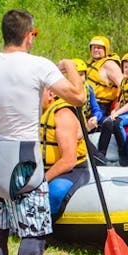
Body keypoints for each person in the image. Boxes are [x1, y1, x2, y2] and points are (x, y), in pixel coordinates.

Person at [0, 9, 85, 255]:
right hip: (23, 160)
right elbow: (78, 97)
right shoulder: (38, 65)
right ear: (29, 35)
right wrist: (71, 68)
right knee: (33, 231)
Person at [39, 89, 90, 223]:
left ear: (51, 94)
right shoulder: (35, 112)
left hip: (72, 170)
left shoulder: (63, 115)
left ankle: (42, 232)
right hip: (41, 167)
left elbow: (69, 161)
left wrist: (42, 181)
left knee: (55, 192)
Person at [86, 36, 123, 117]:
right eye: (93, 47)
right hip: (86, 104)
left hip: (101, 107)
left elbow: (123, 86)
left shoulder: (110, 64)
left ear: (106, 49)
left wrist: (118, 107)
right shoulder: (91, 63)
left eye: (99, 48)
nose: (95, 50)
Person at [72, 58, 103, 132]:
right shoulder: (63, 91)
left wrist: (95, 118)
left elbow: (97, 110)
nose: (79, 78)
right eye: (76, 75)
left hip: (86, 124)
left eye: (81, 75)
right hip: (72, 126)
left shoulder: (89, 89)